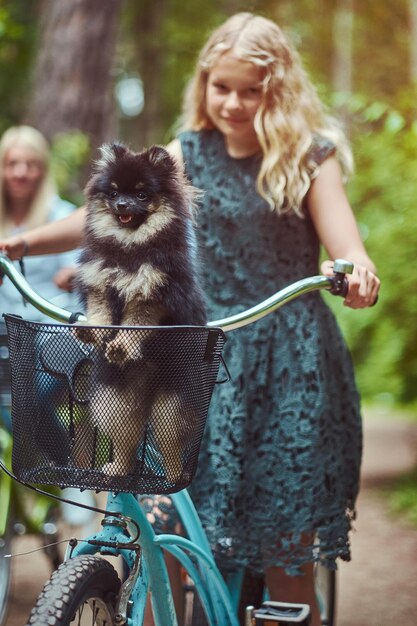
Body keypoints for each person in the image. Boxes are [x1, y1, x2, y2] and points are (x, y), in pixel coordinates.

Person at [0, 14, 380, 626]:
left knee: (283, 543)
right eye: (220, 86)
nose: (232, 102)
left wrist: (357, 269)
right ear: (203, 84)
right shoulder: (190, 152)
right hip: (194, 353)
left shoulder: (310, 155)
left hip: (288, 362)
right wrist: (22, 244)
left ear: (277, 89)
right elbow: (104, 213)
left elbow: (347, 243)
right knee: (164, 524)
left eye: (250, 89)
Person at [0, 125, 79, 320]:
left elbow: (77, 265)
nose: (21, 173)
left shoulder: (63, 215)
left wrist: (72, 275)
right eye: (12, 163)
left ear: (42, 170)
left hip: (47, 322)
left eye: (30, 164)